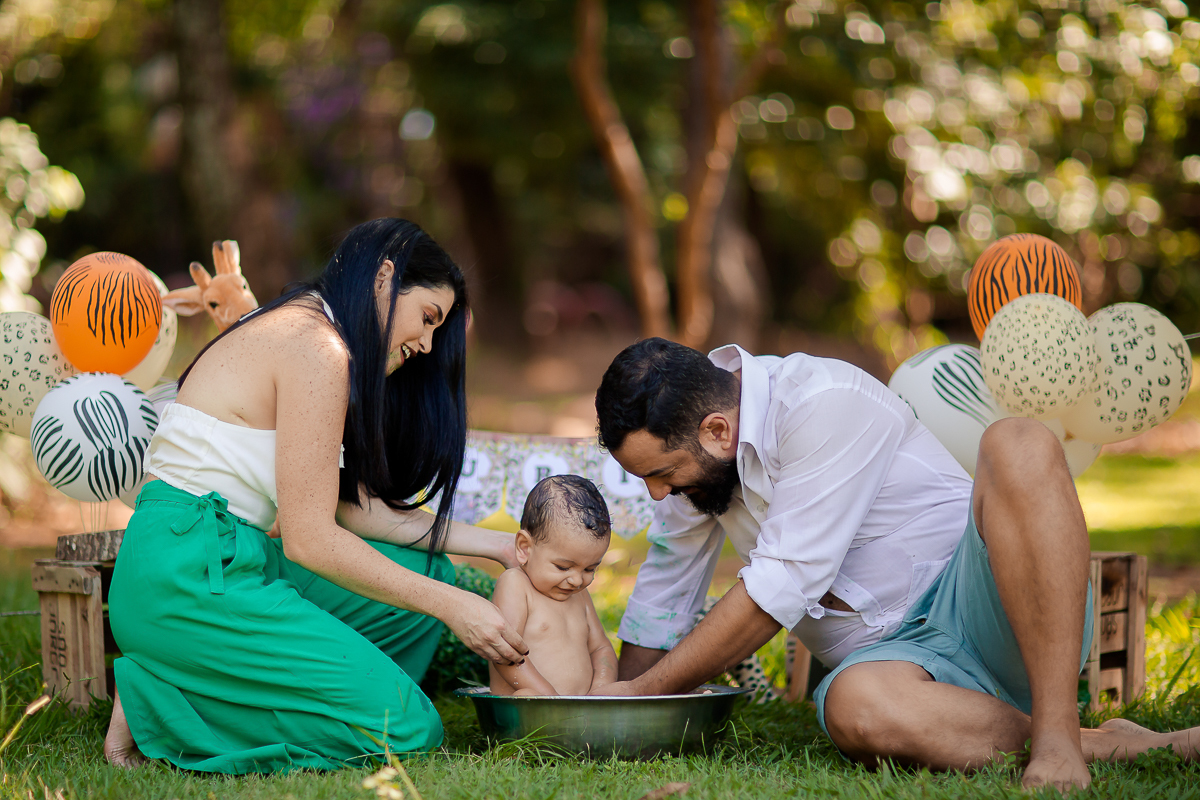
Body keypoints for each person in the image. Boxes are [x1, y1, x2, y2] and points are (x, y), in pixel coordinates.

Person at [593, 337, 1200, 793]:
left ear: (718, 430)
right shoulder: (696, 473)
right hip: (893, 671)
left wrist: (637, 694)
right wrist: (615, 713)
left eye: (661, 474)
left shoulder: (820, 400)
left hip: (997, 614)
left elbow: (782, 584)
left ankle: (1061, 732)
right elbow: (661, 600)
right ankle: (1107, 745)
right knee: (853, 708)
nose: (655, 494)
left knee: (1018, 439)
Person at [103, 219, 530, 774]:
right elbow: (309, 540)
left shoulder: (306, 328)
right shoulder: (317, 348)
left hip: (229, 554)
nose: (427, 344)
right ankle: (160, 700)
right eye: (428, 318)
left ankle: (255, 681)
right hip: (186, 577)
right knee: (408, 728)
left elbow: (347, 511)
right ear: (384, 277)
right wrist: (456, 609)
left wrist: (496, 546)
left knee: (426, 583)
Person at [488, 475, 618, 696]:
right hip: (531, 702)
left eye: (589, 569)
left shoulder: (579, 594)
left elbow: (601, 648)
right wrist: (548, 696)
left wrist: (601, 689)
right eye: (562, 567)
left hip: (578, 709)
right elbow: (505, 653)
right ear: (524, 547)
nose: (577, 580)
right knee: (527, 697)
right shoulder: (516, 585)